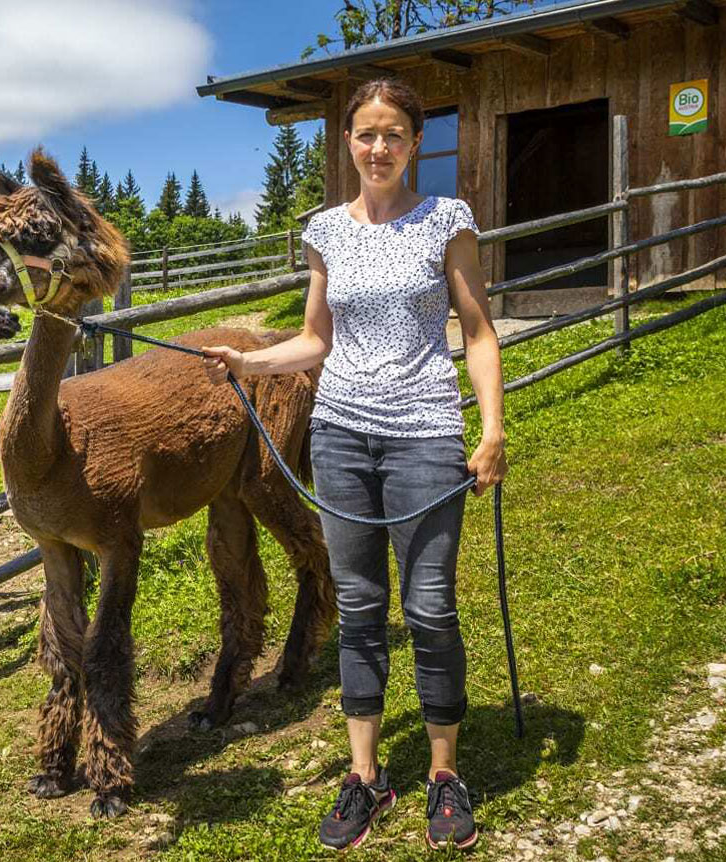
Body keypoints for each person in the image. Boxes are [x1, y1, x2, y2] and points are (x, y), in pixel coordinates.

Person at [202, 77, 506, 852]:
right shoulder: (326, 232)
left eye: (394, 134)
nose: (379, 148)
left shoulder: (447, 222)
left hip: (425, 436)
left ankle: (444, 775)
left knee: (430, 606)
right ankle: (364, 776)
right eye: (366, 134)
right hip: (340, 436)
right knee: (361, 605)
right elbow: (317, 341)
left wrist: (492, 428)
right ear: (349, 142)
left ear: (414, 143)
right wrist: (248, 361)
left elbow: (475, 331)